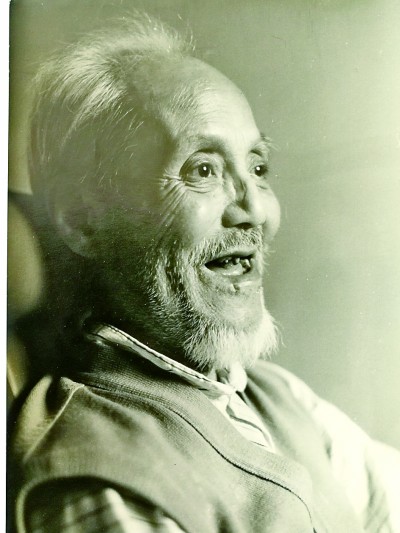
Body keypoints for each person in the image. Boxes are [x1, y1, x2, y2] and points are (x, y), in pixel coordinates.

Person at [8, 15, 400, 533]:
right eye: (203, 170)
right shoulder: (102, 476)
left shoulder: (274, 395)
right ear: (83, 220)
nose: (255, 211)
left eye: (257, 167)